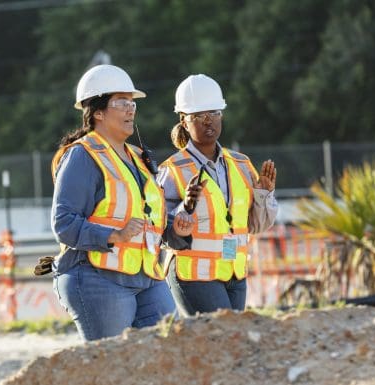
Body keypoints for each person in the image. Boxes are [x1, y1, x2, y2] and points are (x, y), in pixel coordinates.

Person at [48, 64, 193, 341]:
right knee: (112, 367)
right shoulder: (82, 156)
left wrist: (175, 229)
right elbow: (63, 223)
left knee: (167, 353)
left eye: (132, 102)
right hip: (96, 278)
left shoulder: (139, 157)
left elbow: (148, 218)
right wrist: (114, 234)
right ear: (98, 112)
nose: (131, 109)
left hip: (146, 276)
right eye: (121, 102)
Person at [157, 74, 278, 316]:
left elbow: (256, 225)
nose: (208, 121)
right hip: (194, 275)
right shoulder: (172, 170)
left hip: (234, 272)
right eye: (199, 116)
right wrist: (185, 208)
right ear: (184, 120)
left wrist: (263, 195)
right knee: (220, 337)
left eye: (214, 113)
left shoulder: (242, 165)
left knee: (230, 343)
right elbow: (160, 230)